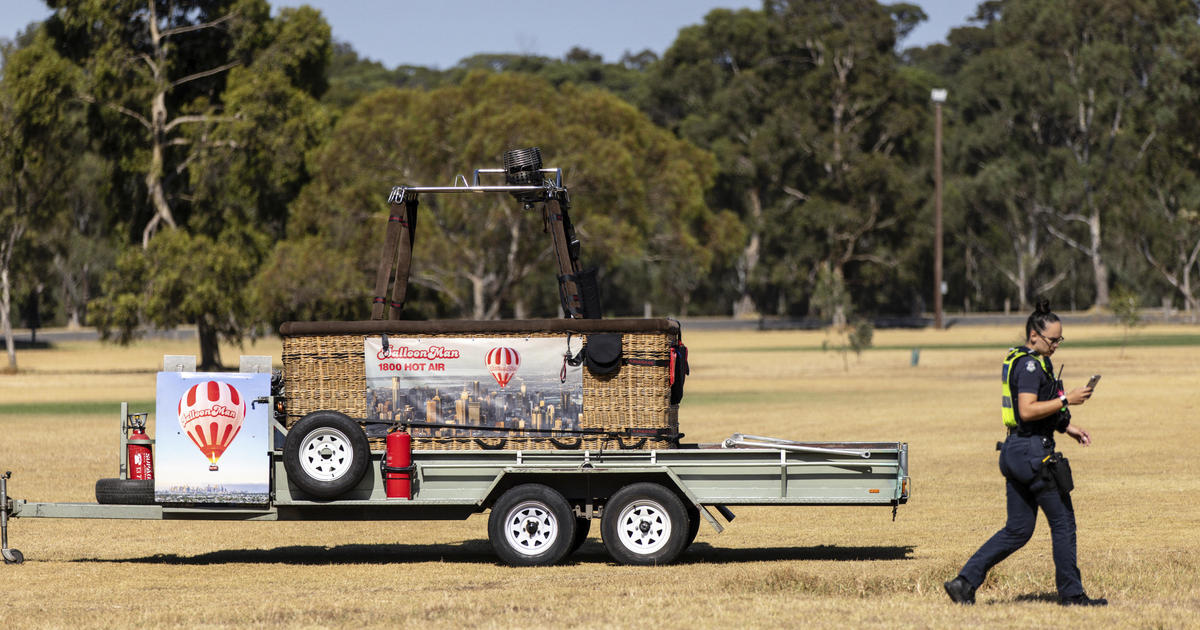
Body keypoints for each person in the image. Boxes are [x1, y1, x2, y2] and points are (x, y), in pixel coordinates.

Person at [944, 300, 1108, 607]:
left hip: (1015, 450)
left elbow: (1032, 413)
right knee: (1063, 522)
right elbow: (1027, 409)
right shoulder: (1031, 365)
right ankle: (1072, 595)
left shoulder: (1029, 360)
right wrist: (1066, 399)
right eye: (1053, 339)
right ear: (1034, 335)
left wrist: (1069, 428)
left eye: (1060, 339)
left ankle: (964, 581)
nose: (1057, 344)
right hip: (1032, 453)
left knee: (1018, 529)